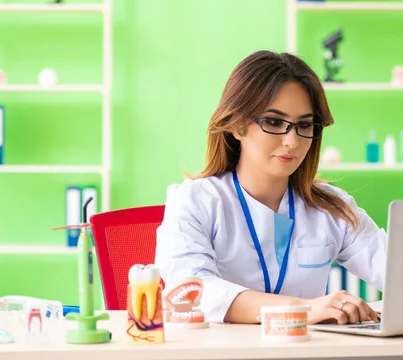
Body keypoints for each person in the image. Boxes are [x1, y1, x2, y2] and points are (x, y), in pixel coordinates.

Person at [155, 50, 386, 325]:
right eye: (275, 122)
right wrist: (305, 309)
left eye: (304, 125)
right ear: (238, 126)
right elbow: (191, 293)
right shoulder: (195, 201)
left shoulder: (332, 207)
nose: (292, 141)